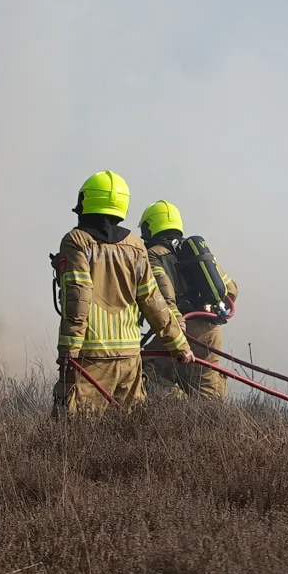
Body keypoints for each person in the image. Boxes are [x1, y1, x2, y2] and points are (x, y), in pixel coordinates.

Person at [53, 171, 190, 418]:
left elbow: (78, 299)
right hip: (129, 358)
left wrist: (68, 353)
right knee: (129, 430)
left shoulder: (76, 241)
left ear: (87, 201)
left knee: (74, 433)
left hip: (91, 357)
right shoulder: (136, 246)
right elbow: (153, 300)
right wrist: (179, 344)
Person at [136, 199, 239, 400]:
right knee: (207, 397)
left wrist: (175, 327)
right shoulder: (194, 252)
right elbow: (232, 290)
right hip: (211, 332)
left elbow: (165, 299)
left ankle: (179, 405)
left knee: (143, 369)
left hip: (182, 328)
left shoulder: (153, 255)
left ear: (150, 227)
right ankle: (208, 424)